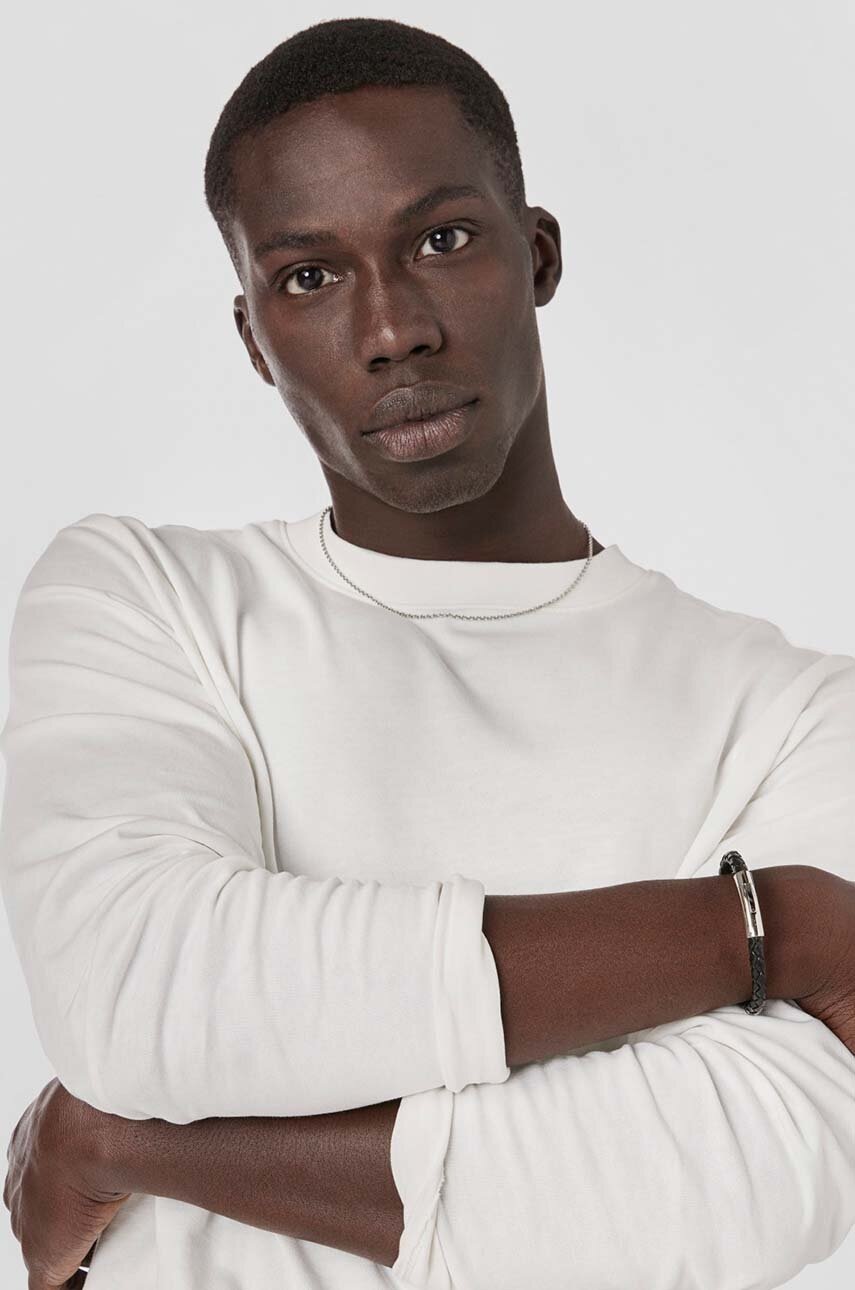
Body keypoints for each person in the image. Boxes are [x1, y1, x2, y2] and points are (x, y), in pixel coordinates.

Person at [2, 16, 854, 1290]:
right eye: (309, 276)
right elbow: (136, 991)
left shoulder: (800, 715)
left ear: (539, 254)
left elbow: (737, 1177)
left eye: (441, 241)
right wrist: (769, 924)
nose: (392, 328)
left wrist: (136, 1141)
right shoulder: (146, 597)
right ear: (252, 338)